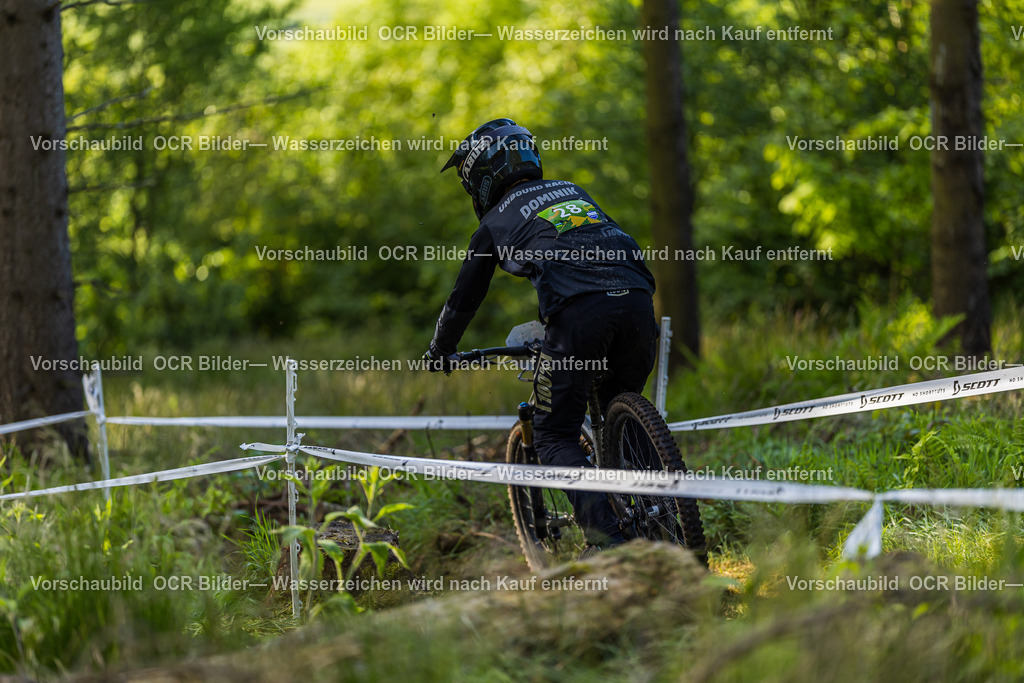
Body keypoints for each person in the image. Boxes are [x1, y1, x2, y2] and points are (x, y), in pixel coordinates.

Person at [424, 118, 659, 549]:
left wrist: (441, 348)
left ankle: (611, 545)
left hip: (581, 314)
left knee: (552, 434)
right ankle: (670, 527)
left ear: (483, 176)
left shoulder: (495, 221)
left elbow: (464, 297)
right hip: (639, 303)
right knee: (622, 414)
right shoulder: (573, 192)